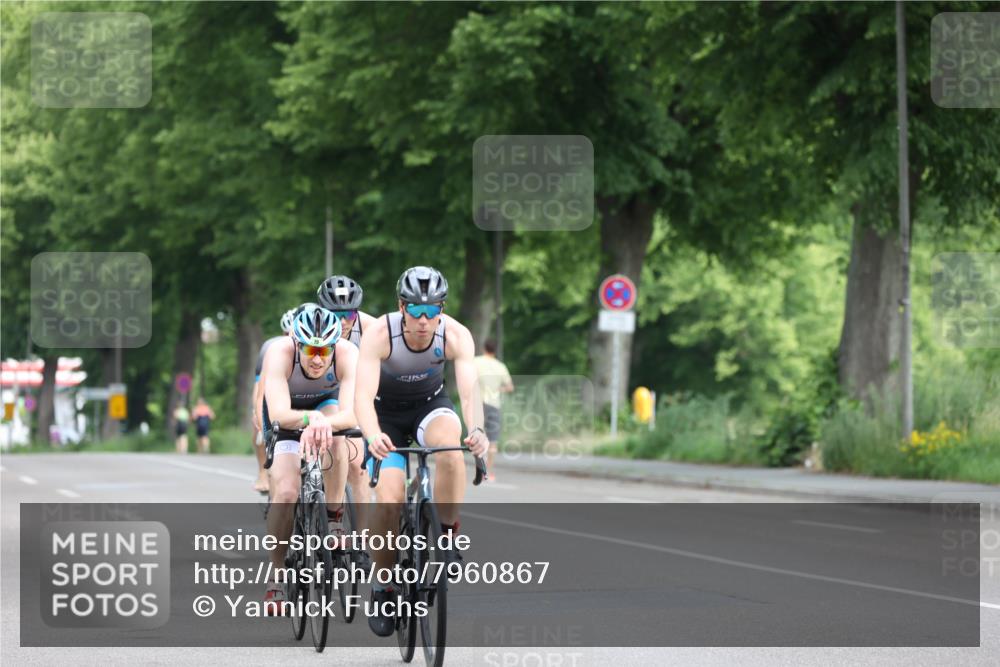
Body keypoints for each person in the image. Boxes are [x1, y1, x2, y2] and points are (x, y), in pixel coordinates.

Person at [355, 265, 488, 637]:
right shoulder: (380, 334)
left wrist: (477, 430)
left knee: (450, 445)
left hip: (429, 405)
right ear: (402, 307)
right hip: (385, 417)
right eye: (416, 310)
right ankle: (383, 586)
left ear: (441, 311)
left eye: (433, 311)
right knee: (389, 501)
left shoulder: (456, 335)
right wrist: (371, 434)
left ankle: (446, 536)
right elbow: (361, 397)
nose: (424, 320)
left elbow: (469, 391)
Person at [259, 303, 359, 614]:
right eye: (311, 351)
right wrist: (310, 420)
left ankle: (333, 518)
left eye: (324, 351)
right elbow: (278, 413)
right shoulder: (279, 353)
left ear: (334, 347)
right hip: (287, 416)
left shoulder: (347, 353)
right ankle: (276, 573)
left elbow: (352, 411)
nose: (318, 359)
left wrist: (323, 422)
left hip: (325, 407)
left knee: (339, 440)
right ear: (298, 344)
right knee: (287, 492)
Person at [317, 275, 379, 533]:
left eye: (349, 315)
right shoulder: (311, 326)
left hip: (360, 394)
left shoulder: (372, 329)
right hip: (326, 393)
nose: (343, 322)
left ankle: (362, 538)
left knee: (357, 465)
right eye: (335, 314)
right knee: (332, 445)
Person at [250, 308, 295, 493]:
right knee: (258, 424)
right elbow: (259, 389)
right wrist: (259, 416)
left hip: (299, 396)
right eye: (286, 333)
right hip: (274, 393)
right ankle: (262, 471)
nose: (288, 337)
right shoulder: (271, 348)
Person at [473, 338, 513, 480]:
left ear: (484, 348)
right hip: (494, 404)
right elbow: (510, 387)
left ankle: (478, 468)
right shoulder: (500, 366)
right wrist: (497, 388)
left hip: (478, 403)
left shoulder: (476, 361)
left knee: (477, 436)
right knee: (493, 440)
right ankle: (489, 472)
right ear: (495, 350)